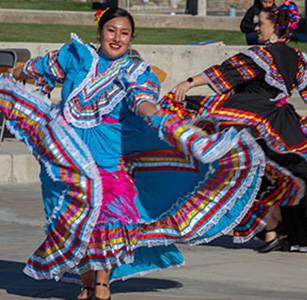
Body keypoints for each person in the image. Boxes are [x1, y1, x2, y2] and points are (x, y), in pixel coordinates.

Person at [0, 7, 270, 300]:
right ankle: (86, 283)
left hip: (108, 160)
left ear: (131, 39)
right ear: (100, 32)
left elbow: (142, 100)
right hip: (63, 159)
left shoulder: (137, 72)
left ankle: (102, 284)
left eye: (124, 33)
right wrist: (10, 75)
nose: (117, 38)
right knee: (70, 224)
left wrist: (157, 117)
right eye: (111, 31)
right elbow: (34, 69)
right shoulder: (75, 55)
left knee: (106, 221)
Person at [162, 0, 307, 254]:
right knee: (278, 172)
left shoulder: (260, 55)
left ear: (275, 28)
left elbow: (225, 72)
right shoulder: (296, 57)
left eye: (261, 24)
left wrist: (189, 83)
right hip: (283, 125)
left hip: (255, 120)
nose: (256, 28)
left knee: (246, 171)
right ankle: (274, 227)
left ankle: (271, 225)